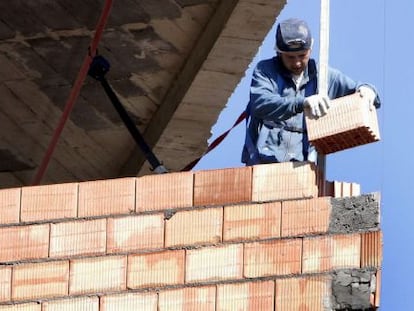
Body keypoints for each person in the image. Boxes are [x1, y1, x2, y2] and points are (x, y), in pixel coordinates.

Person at [241, 18, 381, 166]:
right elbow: (261, 103)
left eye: (302, 55)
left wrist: (368, 91)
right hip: (264, 162)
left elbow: (364, 92)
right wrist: (302, 103)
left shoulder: (324, 77)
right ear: (279, 53)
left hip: (303, 166)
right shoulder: (266, 71)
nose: (297, 63)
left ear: (310, 49)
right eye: (290, 57)